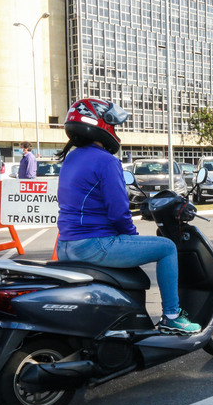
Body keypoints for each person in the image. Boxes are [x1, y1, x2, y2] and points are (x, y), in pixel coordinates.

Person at [55, 98, 201, 335]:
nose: (116, 130)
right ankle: (172, 316)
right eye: (114, 125)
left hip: (66, 245)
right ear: (103, 126)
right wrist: (131, 236)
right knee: (166, 248)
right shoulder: (106, 161)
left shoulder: (71, 157)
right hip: (95, 244)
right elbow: (119, 212)